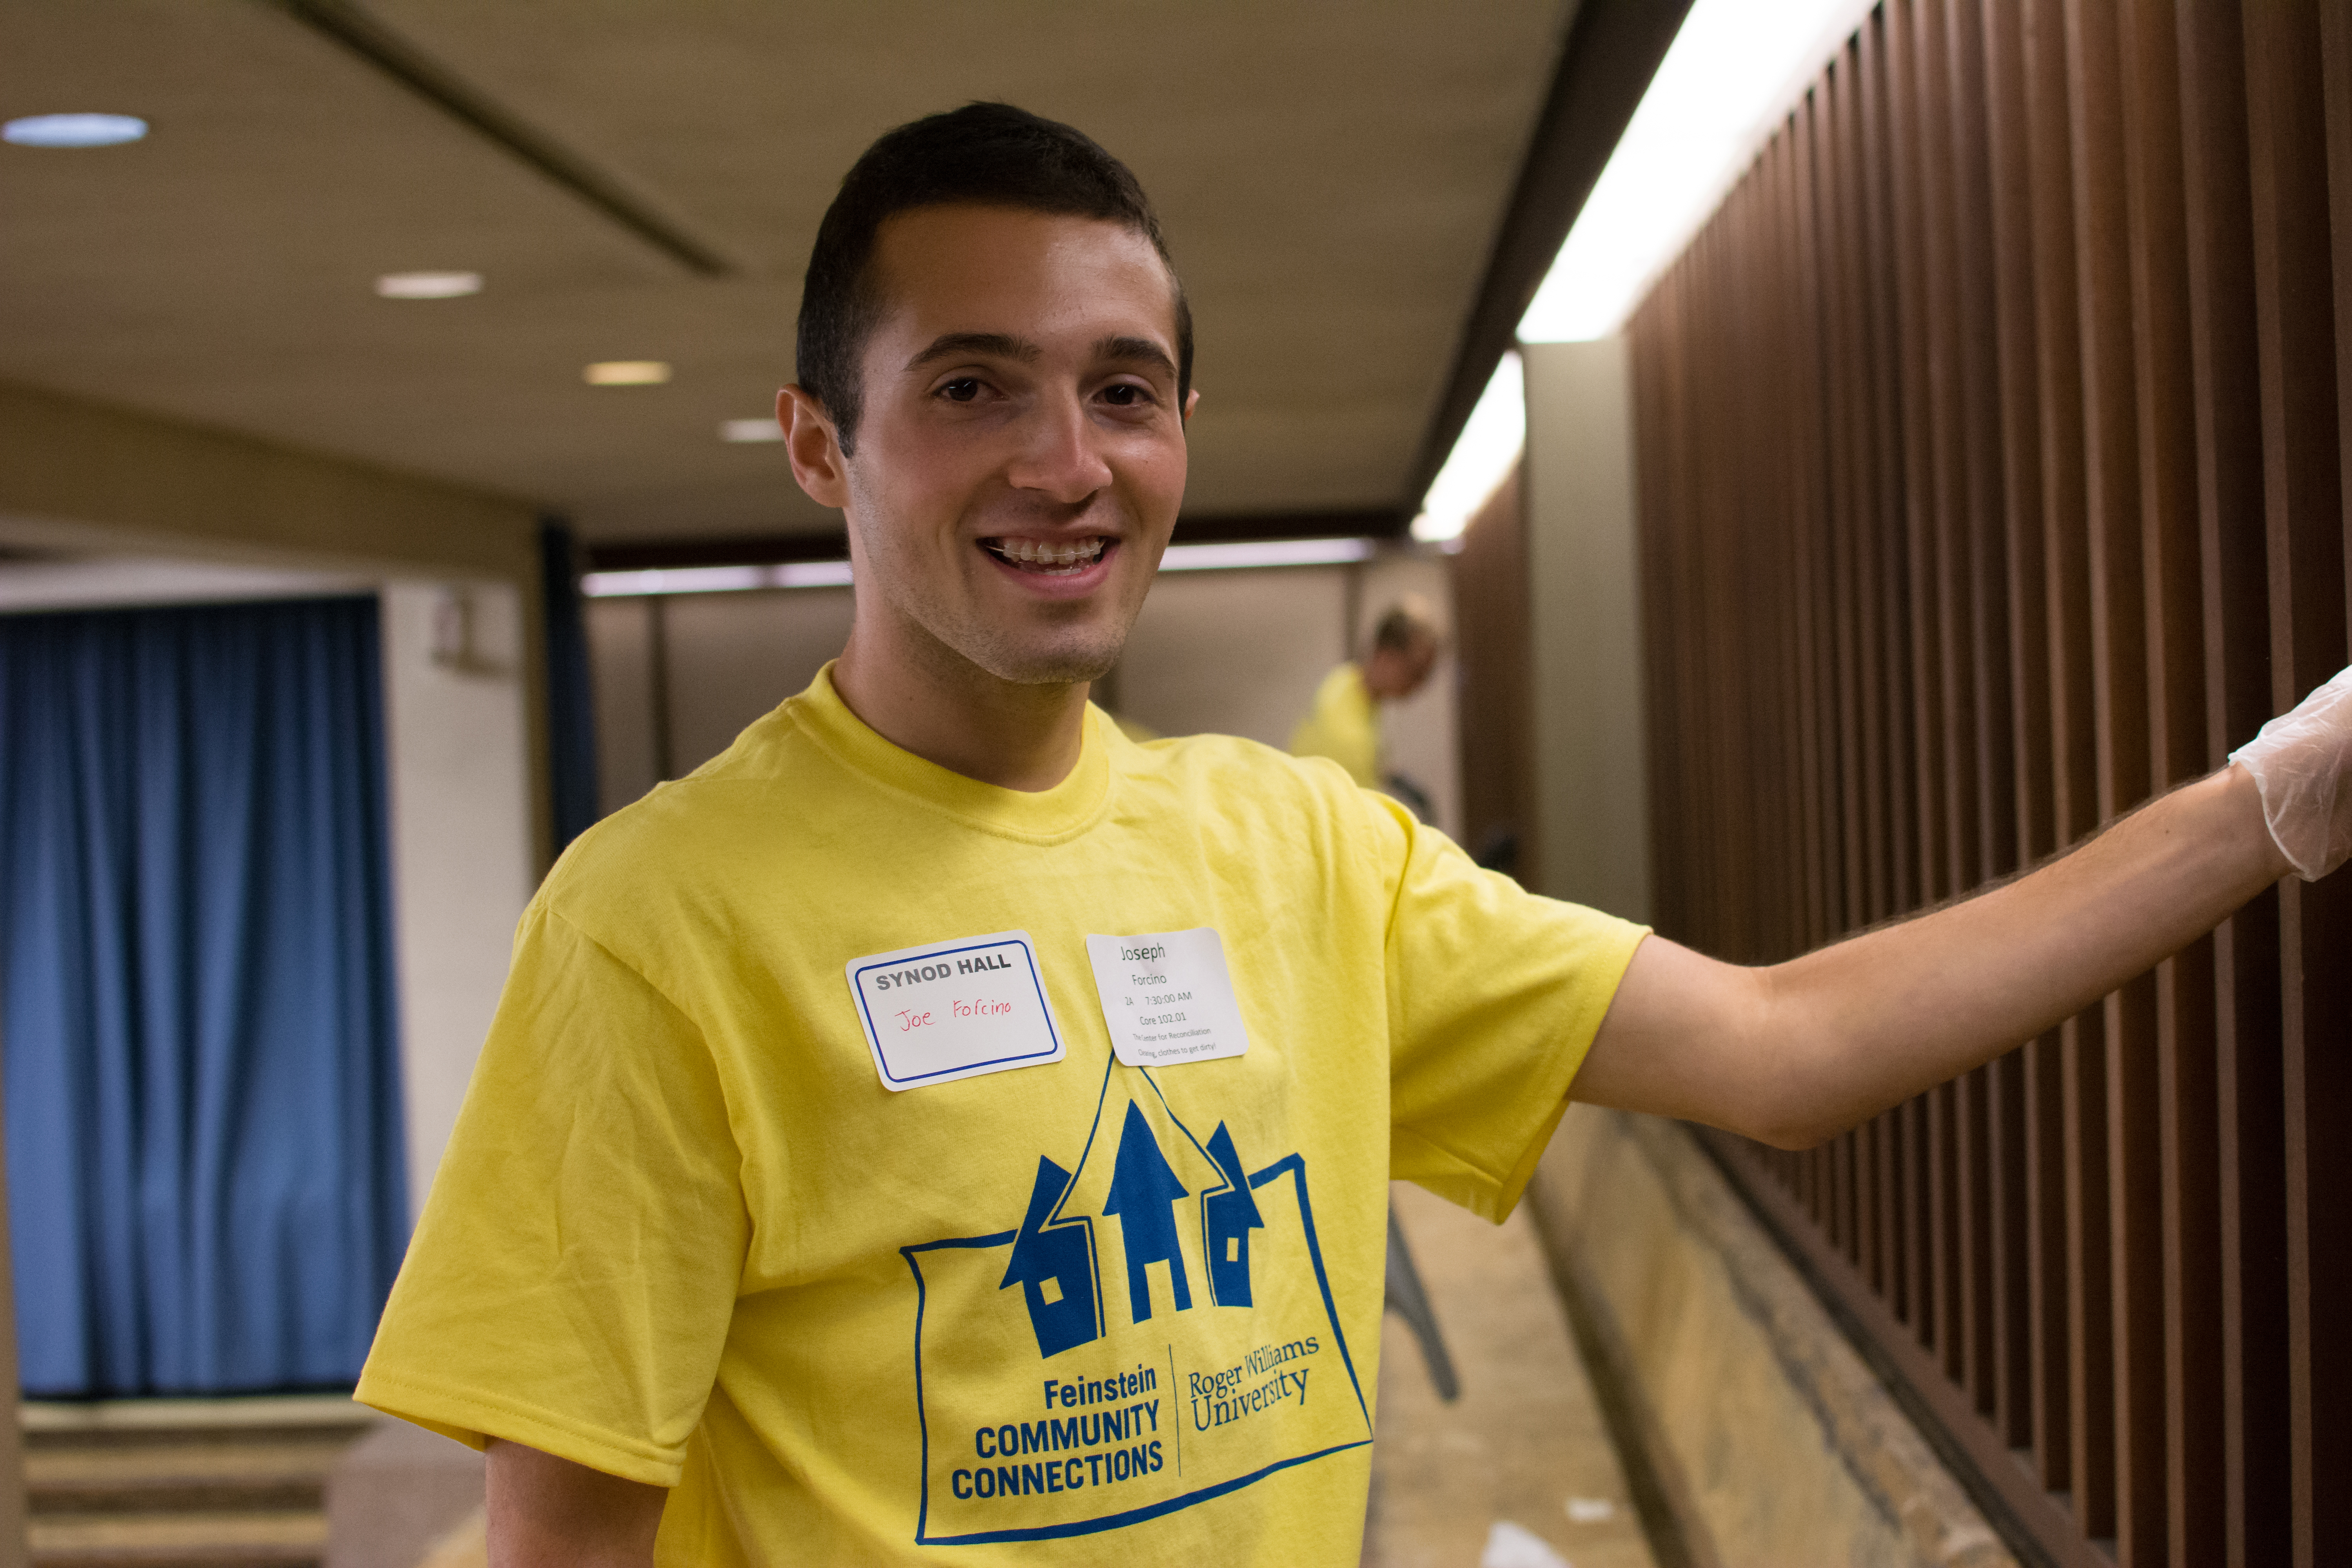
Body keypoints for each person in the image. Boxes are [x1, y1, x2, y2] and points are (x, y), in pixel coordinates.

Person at [354, 104, 2352, 1568]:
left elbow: (1785, 1049)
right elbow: (559, 1542)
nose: (1067, 463)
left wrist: (2274, 797)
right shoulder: (659, 924)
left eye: (1121, 391)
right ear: (822, 443)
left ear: (1182, 428)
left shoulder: (1300, 850)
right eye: (975, 388)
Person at [1287, 597, 1441, 794]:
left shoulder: (1344, 679)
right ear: (1386, 656)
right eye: (1416, 672)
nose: (1420, 684)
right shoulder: (1350, 740)